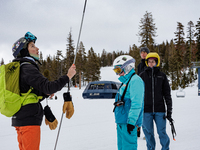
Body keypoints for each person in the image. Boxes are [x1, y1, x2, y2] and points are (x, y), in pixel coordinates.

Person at [11, 32, 76, 150]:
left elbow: (28, 94)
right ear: (25, 51)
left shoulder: (20, 68)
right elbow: (49, 87)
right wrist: (68, 76)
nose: (37, 48)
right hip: (29, 122)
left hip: (20, 119)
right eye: (32, 46)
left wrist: (44, 93)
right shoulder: (27, 67)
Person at [139, 52, 173, 150]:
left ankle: (165, 148)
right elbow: (138, 94)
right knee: (148, 133)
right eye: (149, 62)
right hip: (146, 111)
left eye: (153, 61)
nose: (151, 63)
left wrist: (169, 110)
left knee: (162, 132)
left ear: (156, 62)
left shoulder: (162, 76)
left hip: (160, 110)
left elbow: (167, 94)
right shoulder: (142, 76)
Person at [113, 55, 144, 150]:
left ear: (127, 67)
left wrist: (131, 122)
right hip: (122, 121)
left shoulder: (135, 81)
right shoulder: (125, 82)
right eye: (116, 71)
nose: (118, 74)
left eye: (119, 70)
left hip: (128, 122)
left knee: (129, 147)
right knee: (122, 147)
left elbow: (137, 103)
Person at [137, 47, 149, 138]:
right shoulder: (139, 65)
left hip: (149, 90)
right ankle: (138, 131)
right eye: (142, 52)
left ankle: (147, 132)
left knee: (147, 113)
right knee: (140, 111)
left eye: (145, 52)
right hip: (141, 90)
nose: (143, 54)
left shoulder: (150, 63)